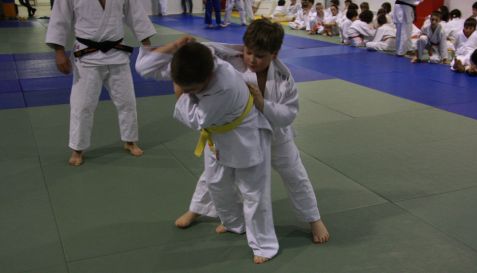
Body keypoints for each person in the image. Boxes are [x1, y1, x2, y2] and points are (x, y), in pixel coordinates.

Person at [174, 18, 330, 244]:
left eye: (260, 56)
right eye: (248, 52)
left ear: (274, 55)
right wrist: (188, 49)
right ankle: (197, 209)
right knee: (213, 173)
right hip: (235, 132)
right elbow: (205, 53)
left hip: (275, 134)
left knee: (295, 174)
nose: (252, 59)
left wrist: (263, 104)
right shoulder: (231, 60)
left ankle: (313, 218)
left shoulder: (284, 79)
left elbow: (289, 113)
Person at [136, 37, 278, 264]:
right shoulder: (193, 59)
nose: (188, 91)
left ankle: (265, 245)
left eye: (192, 90)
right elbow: (144, 68)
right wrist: (175, 47)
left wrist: (180, 91)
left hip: (245, 136)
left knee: (253, 192)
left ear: (209, 76)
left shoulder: (225, 85)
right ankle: (234, 224)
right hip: (218, 135)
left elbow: (196, 118)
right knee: (216, 182)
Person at [45, 0, 155, 166]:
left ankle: (130, 140)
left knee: (127, 102)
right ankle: (77, 148)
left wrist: (146, 45)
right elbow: (60, 18)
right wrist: (59, 52)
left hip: (117, 54)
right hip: (87, 56)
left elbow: (136, 13)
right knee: (82, 105)